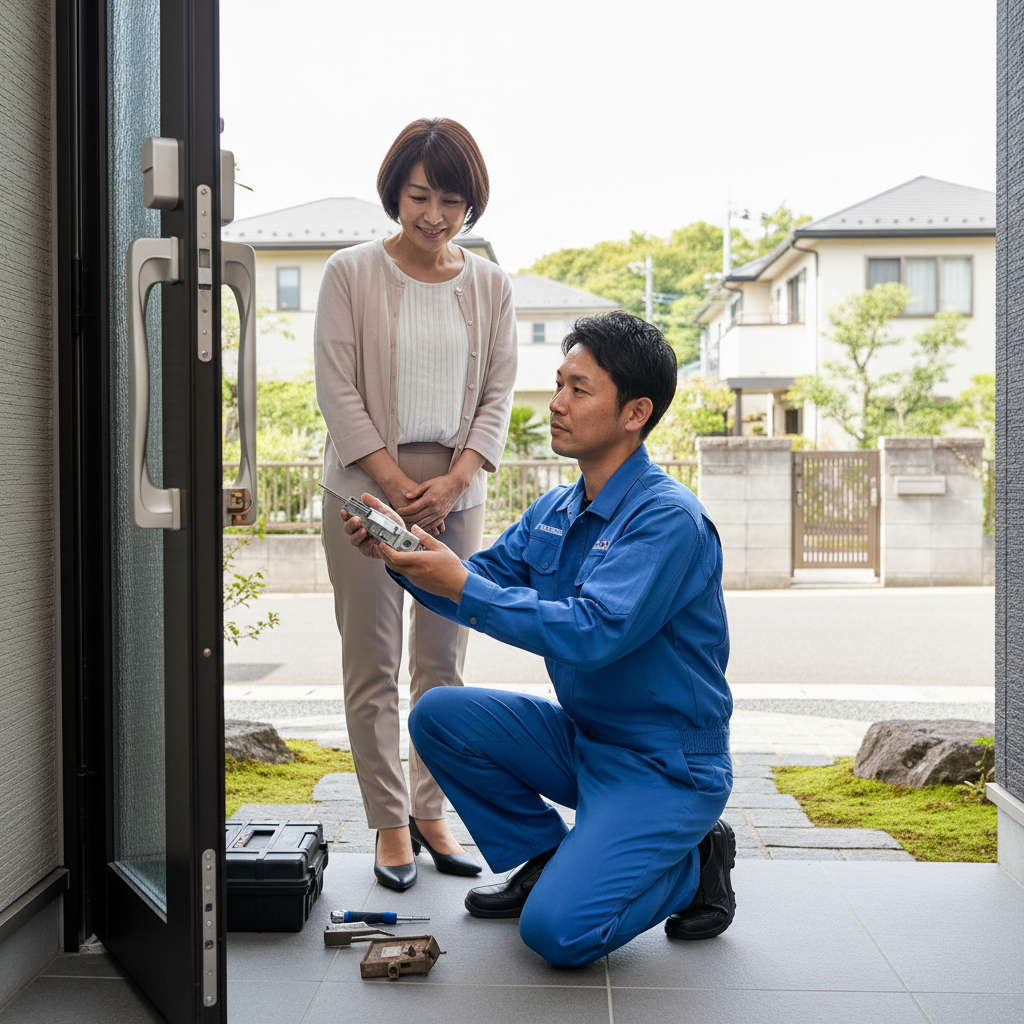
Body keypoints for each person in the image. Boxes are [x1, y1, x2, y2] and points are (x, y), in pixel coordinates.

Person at [342, 310, 735, 968]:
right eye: (558, 384)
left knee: (557, 935)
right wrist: (401, 553)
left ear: (636, 412)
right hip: (586, 740)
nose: (555, 404)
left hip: (665, 765)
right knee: (439, 714)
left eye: (578, 390)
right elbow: (475, 581)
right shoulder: (556, 509)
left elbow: (593, 633)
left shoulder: (668, 519)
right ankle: (551, 858)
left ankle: (694, 865)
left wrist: (460, 583)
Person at [315, 117, 517, 891]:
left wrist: (458, 479)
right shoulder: (350, 272)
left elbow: (498, 394)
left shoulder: (491, 284)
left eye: (452, 201)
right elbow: (335, 387)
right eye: (420, 196)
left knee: (442, 666)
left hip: (456, 492)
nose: (434, 216)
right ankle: (389, 823)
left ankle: (433, 811)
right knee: (372, 661)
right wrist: (393, 486)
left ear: (473, 205)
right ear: (395, 192)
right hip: (366, 485)